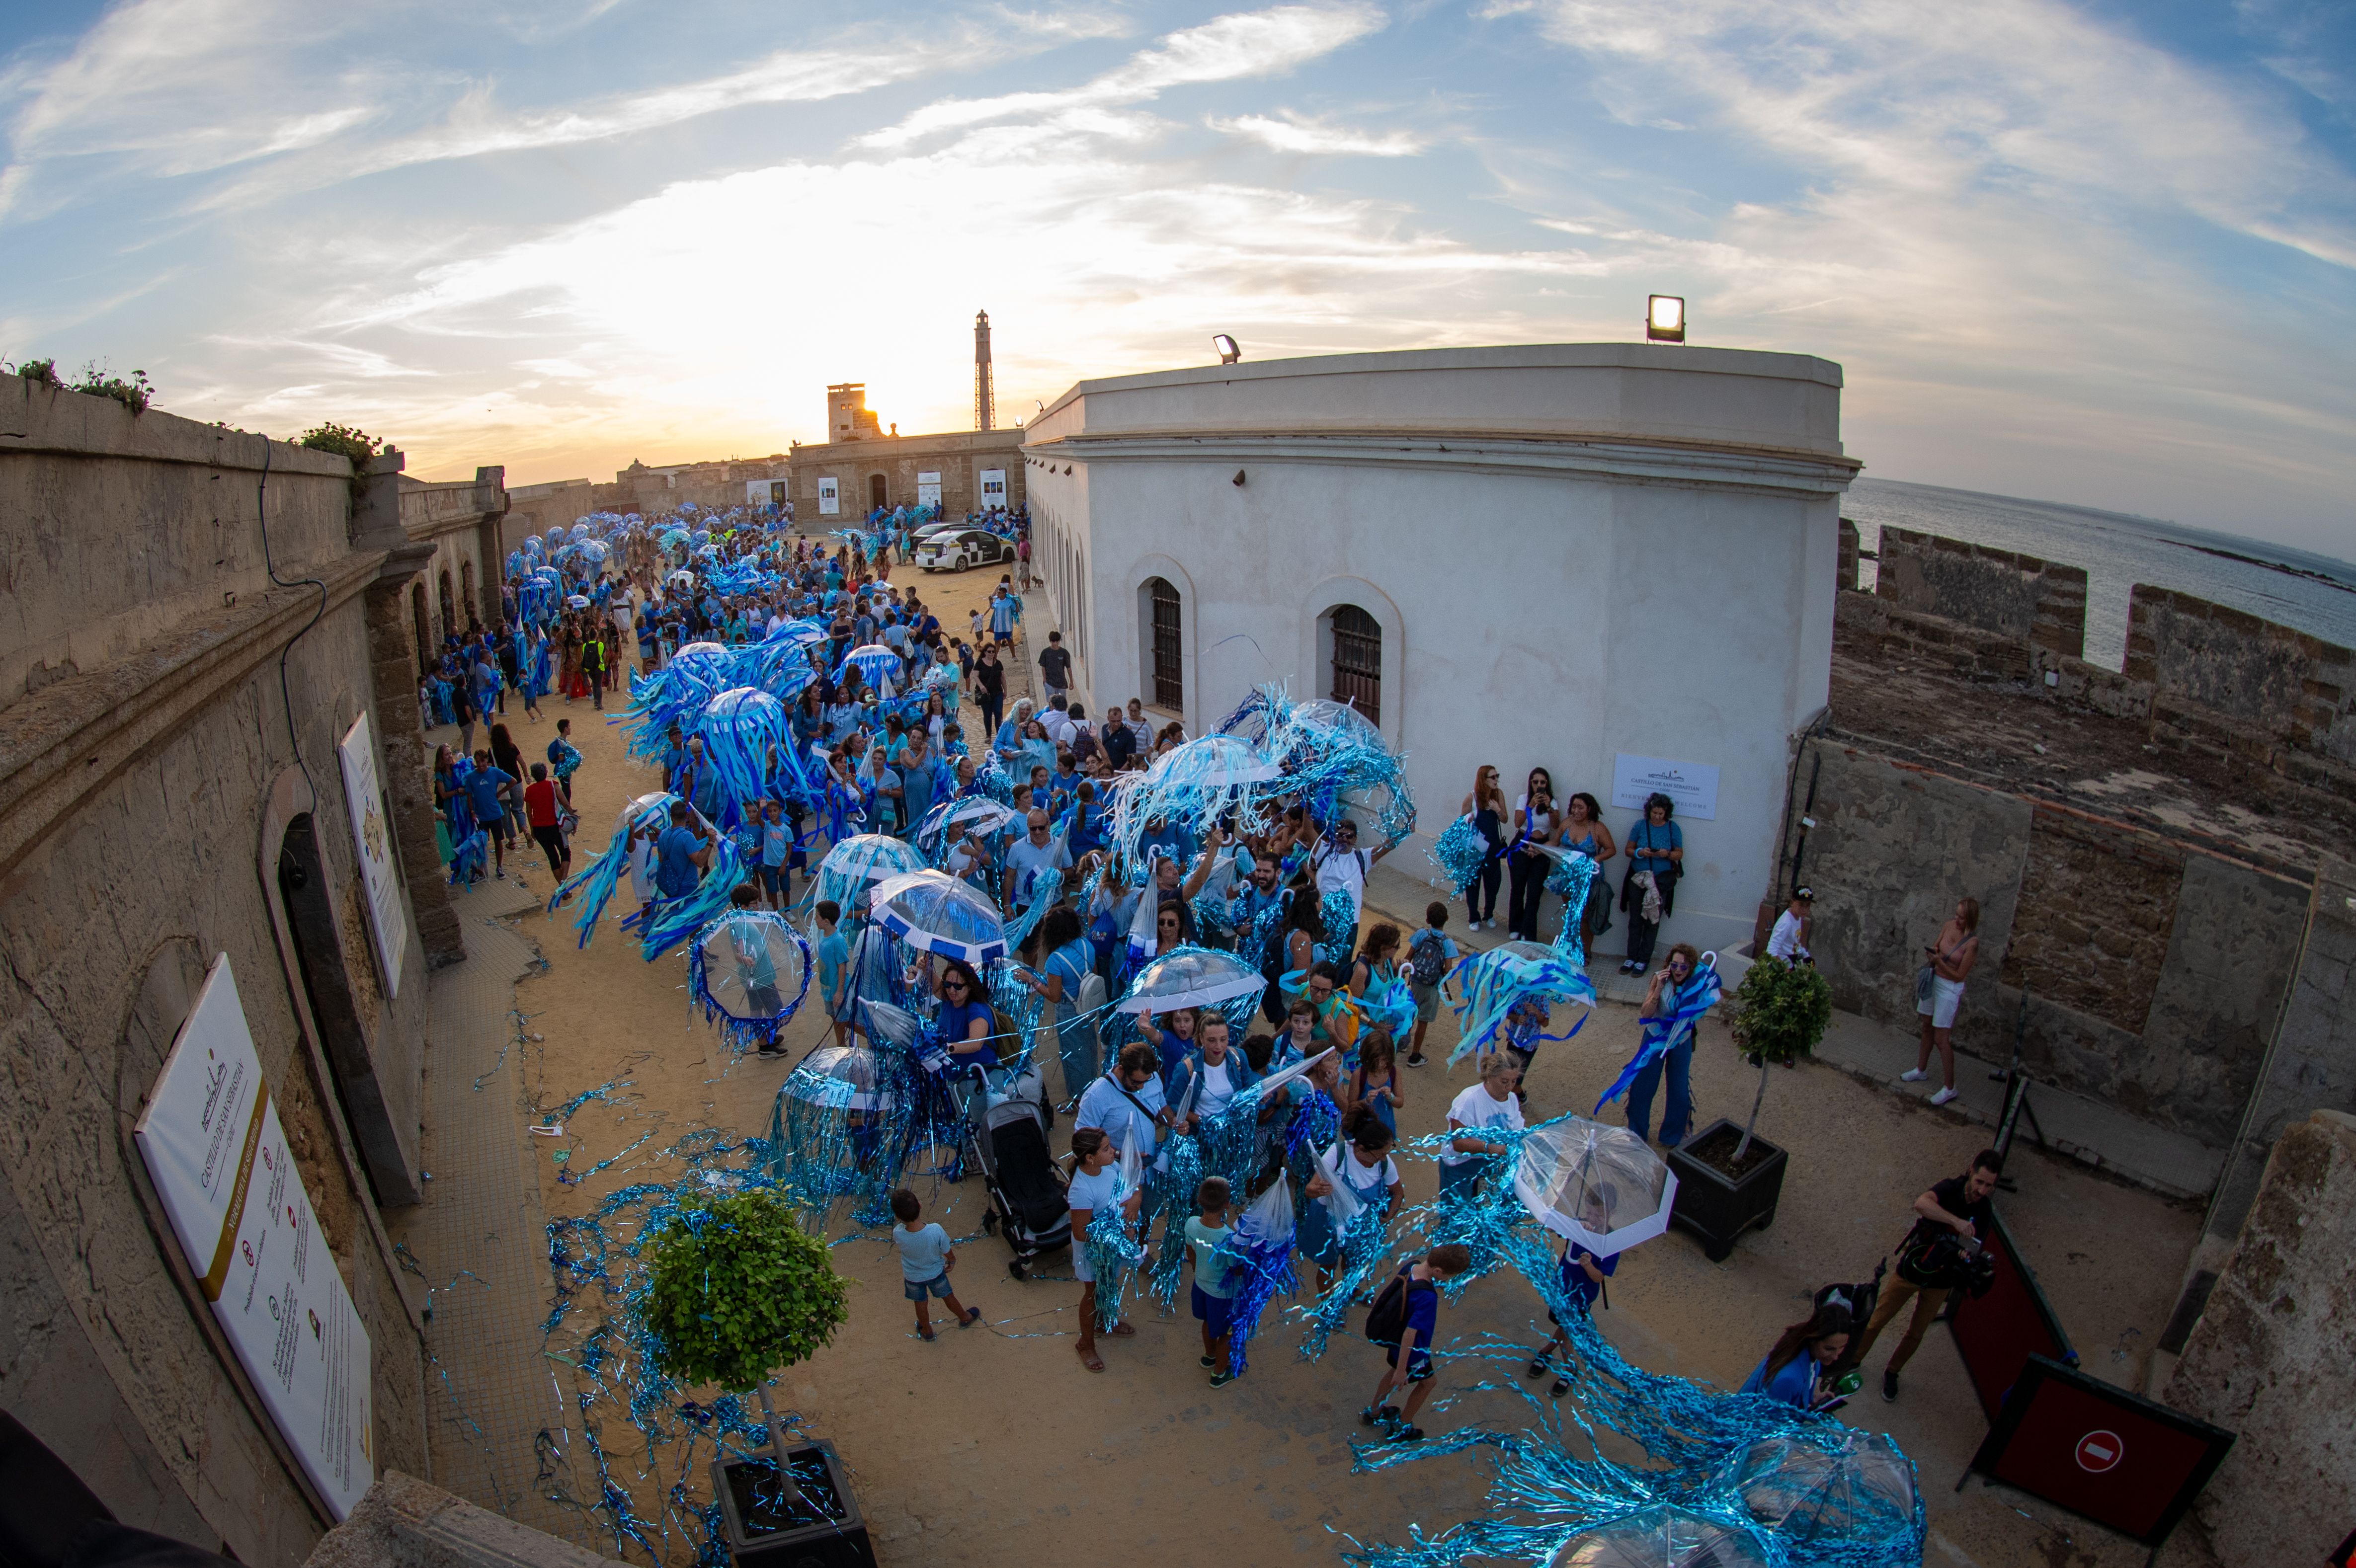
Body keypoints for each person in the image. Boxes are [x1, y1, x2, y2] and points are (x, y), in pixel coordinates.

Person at [1853, 1149, 2001, 1402]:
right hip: (1914, 1267)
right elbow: (1922, 1203)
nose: (1983, 1191)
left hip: (1941, 1281)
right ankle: (1853, 1359)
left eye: (1990, 1186)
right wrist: (1955, 1221)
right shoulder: (1950, 1188)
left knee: (1916, 1333)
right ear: (1970, 1172)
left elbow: (1974, 1246)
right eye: (1980, 1182)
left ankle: (1893, 1372)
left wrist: (1967, 1257)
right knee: (1878, 1319)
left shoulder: (1985, 1209)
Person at [1361, 1244, 1472, 1443]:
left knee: (1391, 1373)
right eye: (1450, 1276)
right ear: (1438, 1271)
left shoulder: (1411, 1266)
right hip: (1414, 1354)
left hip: (1395, 1342)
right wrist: (1403, 1370)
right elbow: (1410, 1335)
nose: (1449, 1279)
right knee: (1428, 1383)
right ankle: (1403, 1427)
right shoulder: (1428, 1297)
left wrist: (1398, 1368)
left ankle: (1374, 1412)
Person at [1524, 1188, 1621, 1400]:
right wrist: (1574, 1226)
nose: (1593, 1219)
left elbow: (1598, 1278)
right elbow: (1555, 1229)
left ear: (1611, 1214)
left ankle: (1570, 1368)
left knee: (1568, 1334)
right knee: (1563, 1325)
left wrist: (1588, 1265)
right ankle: (1547, 1350)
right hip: (1562, 1288)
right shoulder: (1580, 1224)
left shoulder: (1612, 1242)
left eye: (1599, 1216)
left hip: (1581, 1297)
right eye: (1590, 1214)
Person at [1301, 1104, 1405, 1295]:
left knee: (1354, 1261)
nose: (1384, 1158)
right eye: (1380, 1154)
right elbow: (1310, 1190)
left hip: (1359, 1226)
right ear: (1363, 1148)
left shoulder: (1384, 1164)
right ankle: (1328, 1308)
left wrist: (1388, 1217)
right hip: (1327, 1222)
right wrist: (1320, 1190)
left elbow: (1398, 1192)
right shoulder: (1337, 1153)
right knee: (1328, 1265)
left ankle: (1351, 1289)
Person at [1066, 1127, 1140, 1373]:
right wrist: (1118, 1233)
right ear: (1090, 1157)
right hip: (1093, 1253)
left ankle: (1105, 1321)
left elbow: (1130, 1192)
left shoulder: (1110, 1168)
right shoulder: (1081, 1189)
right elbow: (1081, 1232)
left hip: (1111, 1246)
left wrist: (1133, 1209)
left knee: (1108, 1284)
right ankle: (1085, 1344)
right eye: (1107, 1149)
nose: (1114, 1152)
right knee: (1093, 1292)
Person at [1904, 896, 1980, 1107]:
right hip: (1934, 980)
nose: (1956, 920)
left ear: (1970, 920)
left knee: (1942, 1038)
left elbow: (1960, 975)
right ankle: (1921, 1069)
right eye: (1956, 915)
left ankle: (1950, 1087)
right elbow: (1937, 947)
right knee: (1927, 1027)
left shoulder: (1972, 943)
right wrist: (1933, 955)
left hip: (1949, 988)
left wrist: (1939, 963)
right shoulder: (1948, 926)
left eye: (1962, 918)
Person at [1626, 943, 1704, 1147]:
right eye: (1675, 965)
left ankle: (1673, 1135)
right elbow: (1646, 1014)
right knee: (1644, 1084)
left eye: (1684, 967)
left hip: (1681, 1039)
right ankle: (1637, 1131)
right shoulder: (1659, 978)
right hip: (1655, 1036)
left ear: (1691, 968)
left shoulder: (1696, 984)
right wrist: (1659, 989)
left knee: (1678, 1088)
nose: (1678, 970)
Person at [888, 1184, 979, 1340]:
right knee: (948, 1296)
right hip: (936, 1273)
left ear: (898, 1217)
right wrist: (952, 1260)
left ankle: (927, 1330)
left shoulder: (898, 1233)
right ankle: (964, 1317)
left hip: (913, 1277)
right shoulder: (935, 1230)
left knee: (920, 1302)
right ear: (920, 1206)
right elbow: (946, 1249)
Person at [1740, 1294, 1856, 1408]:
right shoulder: (1788, 1380)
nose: (1836, 1357)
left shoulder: (1805, 1351)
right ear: (1813, 1339)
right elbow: (1770, 1422)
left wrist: (1811, 1400)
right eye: (1829, 1349)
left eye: (1842, 1347)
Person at [1438, 1055, 1525, 1196]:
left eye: (1514, 1081)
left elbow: (1517, 1130)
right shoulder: (1469, 1100)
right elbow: (1458, 1142)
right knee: (1458, 1214)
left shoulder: (1513, 1100)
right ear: (1490, 1077)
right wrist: (1489, 1148)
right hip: (1460, 1166)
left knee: (1481, 1210)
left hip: (1489, 1164)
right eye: (1504, 1081)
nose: (1509, 1087)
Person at [1620, 792, 1683, 974]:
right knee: (1635, 919)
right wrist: (1641, 852)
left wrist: (1667, 854)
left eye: (1660, 814)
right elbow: (1628, 850)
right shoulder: (1640, 825)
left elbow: (1679, 853)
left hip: (1660, 880)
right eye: (1654, 813)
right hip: (1638, 877)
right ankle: (1631, 957)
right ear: (1649, 812)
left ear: (1666, 813)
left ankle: (1644, 959)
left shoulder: (1673, 828)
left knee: (1653, 920)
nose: (1657, 817)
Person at [1185, 1176, 1239, 1386]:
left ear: (1199, 1200)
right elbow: (1235, 1268)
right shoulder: (1228, 1238)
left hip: (1200, 1285)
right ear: (1227, 1204)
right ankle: (1220, 1373)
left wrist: (1196, 1268)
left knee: (1208, 1322)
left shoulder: (1191, 1224)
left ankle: (1210, 1356)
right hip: (1223, 1295)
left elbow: (1190, 1250)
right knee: (1228, 1333)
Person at [1075, 1042, 1169, 1163]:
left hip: (1148, 1168)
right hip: (1116, 1171)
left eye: (1145, 1081)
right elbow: (1084, 1141)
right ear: (1121, 1070)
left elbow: (1162, 1107)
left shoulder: (1153, 1077)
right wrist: (1123, 1156)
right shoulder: (1095, 1096)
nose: (1141, 1087)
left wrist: (1174, 1123)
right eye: (1136, 1082)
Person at [1558, 791, 1617, 952]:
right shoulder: (1566, 824)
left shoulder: (1597, 828)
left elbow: (1612, 849)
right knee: (1570, 914)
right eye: (1574, 807)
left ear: (1589, 809)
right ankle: (1569, 947)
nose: (1576, 811)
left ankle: (1585, 951)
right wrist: (1540, 848)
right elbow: (1554, 842)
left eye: (1580, 807)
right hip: (1567, 877)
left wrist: (1596, 859)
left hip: (1588, 879)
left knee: (1584, 917)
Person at [1402, 903, 1458, 1068]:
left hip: (1416, 981)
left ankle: (1403, 1042)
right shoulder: (1448, 943)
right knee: (1423, 1021)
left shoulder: (1421, 934)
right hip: (1432, 987)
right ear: (1447, 919)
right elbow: (1448, 971)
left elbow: (1408, 957)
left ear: (1427, 919)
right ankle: (1415, 1056)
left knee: (1411, 1012)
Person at [1506, 777, 1560, 942]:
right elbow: (1517, 823)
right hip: (1522, 843)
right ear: (1530, 783)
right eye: (1535, 782)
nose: (1539, 786)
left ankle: (1528, 931)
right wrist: (1530, 806)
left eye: (1542, 783)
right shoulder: (1523, 799)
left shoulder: (1553, 802)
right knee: (1518, 888)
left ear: (1547, 785)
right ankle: (1515, 926)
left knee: (1534, 892)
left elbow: (1556, 826)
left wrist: (1549, 807)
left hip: (1542, 846)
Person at [1460, 766, 1507, 930]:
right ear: (1483, 779)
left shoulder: (1498, 794)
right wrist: (1468, 819)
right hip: (1475, 848)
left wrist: (1498, 810)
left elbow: (1505, 819)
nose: (1496, 780)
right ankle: (1473, 916)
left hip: (1493, 847)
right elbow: (1460, 823)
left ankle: (1489, 914)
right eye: (1492, 777)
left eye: (1497, 776)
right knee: (1473, 883)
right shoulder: (1471, 797)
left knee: (1494, 882)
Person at [1002, 809, 1072, 912]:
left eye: (1042, 828)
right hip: (1027, 906)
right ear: (1028, 826)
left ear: (1049, 825)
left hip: (1054, 903)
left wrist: (1061, 875)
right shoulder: (1017, 848)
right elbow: (1009, 877)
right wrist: (1007, 905)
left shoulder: (1060, 845)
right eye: (1033, 829)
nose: (1038, 832)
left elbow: (1071, 871)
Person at [934, 960, 999, 1068]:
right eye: (947, 984)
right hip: (954, 1073)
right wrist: (926, 968)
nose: (952, 990)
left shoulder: (977, 1009)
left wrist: (948, 1048)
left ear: (969, 986)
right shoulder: (949, 1001)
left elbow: (976, 1043)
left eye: (958, 986)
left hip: (977, 1076)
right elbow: (936, 989)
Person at [465, 748, 515, 879]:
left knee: (498, 841)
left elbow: (513, 781)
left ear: (487, 760)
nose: (480, 764)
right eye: (478, 762)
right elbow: (469, 796)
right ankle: (482, 868)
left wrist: (500, 792)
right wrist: (472, 812)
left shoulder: (495, 772)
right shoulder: (471, 777)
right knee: (482, 844)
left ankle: (499, 867)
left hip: (495, 814)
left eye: (482, 761)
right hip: (481, 816)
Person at [522, 761, 571, 884]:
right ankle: (564, 882)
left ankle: (563, 888)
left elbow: (529, 812)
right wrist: (572, 816)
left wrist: (532, 830)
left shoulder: (530, 790)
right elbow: (565, 802)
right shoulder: (553, 785)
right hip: (555, 827)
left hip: (539, 829)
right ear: (546, 773)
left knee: (553, 858)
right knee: (565, 853)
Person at [1349, 1029, 1402, 1137]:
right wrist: (1365, 1101)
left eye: (1384, 1060)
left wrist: (1391, 1097)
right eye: (1376, 1060)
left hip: (1384, 1127)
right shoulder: (1359, 1075)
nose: (1380, 1064)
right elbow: (1350, 1106)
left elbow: (1400, 1102)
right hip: (1361, 1129)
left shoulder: (1394, 1072)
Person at [756, 798, 793, 909]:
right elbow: (758, 820)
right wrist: (761, 807)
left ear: (780, 811)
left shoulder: (786, 829)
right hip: (770, 865)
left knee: (786, 889)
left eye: (775, 811)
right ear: (767, 813)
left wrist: (783, 865)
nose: (773, 814)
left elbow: (790, 849)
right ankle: (777, 912)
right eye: (770, 811)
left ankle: (787, 911)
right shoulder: (767, 826)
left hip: (783, 865)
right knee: (773, 890)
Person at [1767, 886, 1814, 964]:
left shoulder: (1798, 917)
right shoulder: (1786, 923)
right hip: (1784, 963)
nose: (1805, 910)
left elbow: (1794, 943)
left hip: (1793, 959)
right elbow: (1771, 951)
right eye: (1801, 905)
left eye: (1808, 905)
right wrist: (1784, 969)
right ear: (1793, 902)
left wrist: (1806, 957)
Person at [1038, 630, 1072, 701]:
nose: (1055, 644)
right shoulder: (1045, 652)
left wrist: (1071, 681)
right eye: (1053, 642)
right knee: (1052, 703)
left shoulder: (1064, 653)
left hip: (1061, 682)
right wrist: (1045, 679)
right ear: (1050, 641)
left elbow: (1069, 668)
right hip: (1050, 682)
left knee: (1062, 704)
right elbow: (1043, 667)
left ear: (1059, 641)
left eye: (1057, 642)